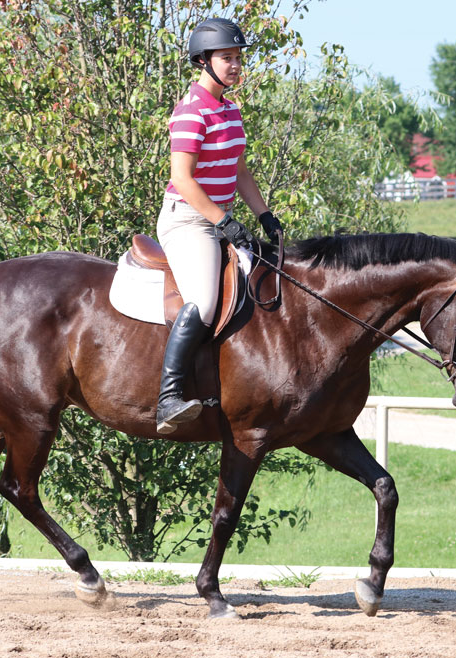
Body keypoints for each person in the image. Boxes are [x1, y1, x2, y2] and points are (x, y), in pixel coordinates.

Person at [155, 17, 283, 435]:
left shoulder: (229, 110)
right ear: (204, 61)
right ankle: (169, 396)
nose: (235, 65)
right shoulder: (191, 111)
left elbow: (240, 172)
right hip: (189, 220)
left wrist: (264, 214)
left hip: (217, 216)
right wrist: (223, 220)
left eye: (237, 58)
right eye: (227, 58)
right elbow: (184, 179)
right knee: (205, 301)